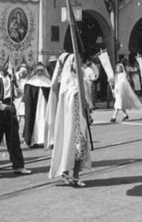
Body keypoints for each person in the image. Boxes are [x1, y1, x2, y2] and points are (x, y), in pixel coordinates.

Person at [49, 54, 91, 187]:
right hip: (69, 122)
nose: (78, 63)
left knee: (80, 149)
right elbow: (59, 91)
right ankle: (66, 173)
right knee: (68, 147)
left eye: (79, 61)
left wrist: (88, 112)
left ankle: (76, 176)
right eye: (75, 61)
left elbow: (85, 100)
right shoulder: (66, 81)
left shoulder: (81, 79)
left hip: (80, 120)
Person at [0, 63, 31, 176]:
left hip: (10, 110)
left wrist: (16, 89)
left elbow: (17, 94)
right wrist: (6, 107)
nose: (5, 66)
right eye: (3, 62)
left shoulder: (12, 77)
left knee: (13, 138)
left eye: (7, 63)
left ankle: (18, 165)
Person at [44, 52, 70, 149]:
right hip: (57, 102)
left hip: (67, 103)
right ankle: (53, 140)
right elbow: (54, 86)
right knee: (55, 119)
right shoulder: (55, 75)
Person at [23, 62, 51, 148]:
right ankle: (32, 141)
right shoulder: (31, 81)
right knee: (33, 121)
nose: (39, 72)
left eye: (41, 70)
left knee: (44, 119)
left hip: (44, 106)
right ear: (35, 70)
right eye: (38, 70)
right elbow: (27, 97)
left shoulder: (47, 81)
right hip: (33, 107)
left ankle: (44, 140)